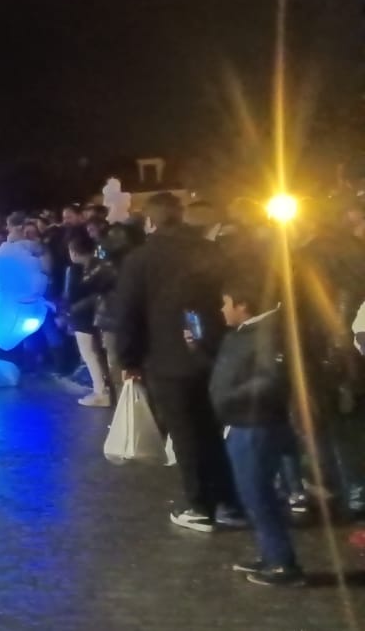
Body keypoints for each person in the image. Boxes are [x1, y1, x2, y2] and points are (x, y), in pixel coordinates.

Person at [114, 192, 241, 531]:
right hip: (213, 353)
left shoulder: (140, 259)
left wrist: (128, 359)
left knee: (185, 434)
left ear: (150, 221)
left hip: (167, 358)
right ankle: (230, 500)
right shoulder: (210, 250)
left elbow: (127, 313)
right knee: (213, 431)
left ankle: (200, 505)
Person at [210, 268, 304, 586]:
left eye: (226, 303)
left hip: (255, 425)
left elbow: (270, 379)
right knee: (253, 494)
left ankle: (282, 565)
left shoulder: (266, 333)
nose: (222, 310)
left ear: (243, 305)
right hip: (244, 423)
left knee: (258, 494)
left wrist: (229, 399)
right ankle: (271, 555)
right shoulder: (249, 332)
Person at [65, 234, 117, 407]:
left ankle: (101, 392)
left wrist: (68, 311)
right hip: (97, 316)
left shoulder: (77, 270)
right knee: (96, 354)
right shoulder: (101, 266)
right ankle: (104, 389)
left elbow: (73, 295)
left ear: (74, 252)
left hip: (84, 317)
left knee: (90, 354)